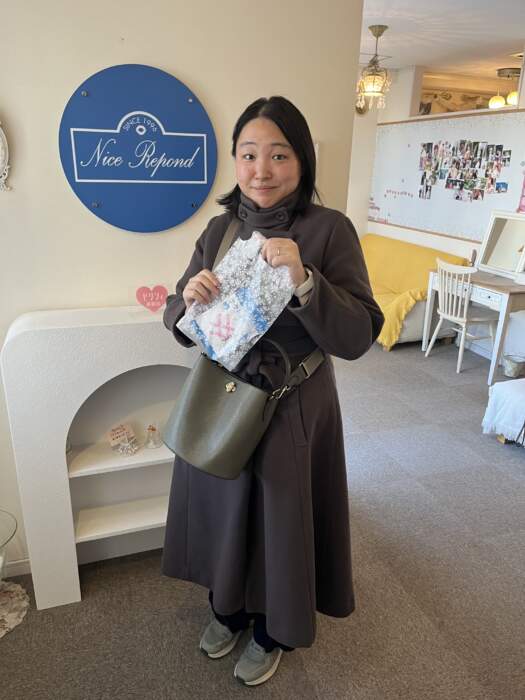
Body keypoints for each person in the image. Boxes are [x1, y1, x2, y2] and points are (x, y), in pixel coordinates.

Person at [161, 96, 384, 687]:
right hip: (221, 396)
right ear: (235, 161)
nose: (262, 170)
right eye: (249, 154)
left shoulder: (329, 230)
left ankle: (272, 630)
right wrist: (187, 301)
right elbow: (178, 313)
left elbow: (359, 333)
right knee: (222, 508)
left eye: (279, 155)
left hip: (292, 402)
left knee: (280, 519)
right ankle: (228, 609)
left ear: (302, 161)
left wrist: (305, 280)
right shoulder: (220, 229)